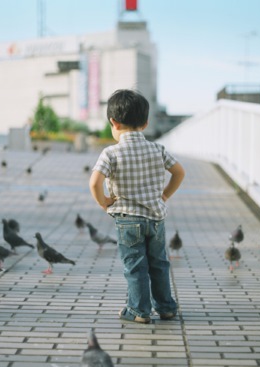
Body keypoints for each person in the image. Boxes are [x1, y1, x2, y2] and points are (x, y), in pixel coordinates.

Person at [89, 89, 185, 324]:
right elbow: (179, 172)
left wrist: (104, 202)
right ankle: (166, 307)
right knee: (159, 263)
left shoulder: (111, 152)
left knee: (135, 266)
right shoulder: (157, 149)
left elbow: (94, 182)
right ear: (145, 123)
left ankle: (139, 311)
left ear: (113, 122)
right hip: (155, 218)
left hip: (128, 220)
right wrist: (164, 195)